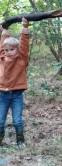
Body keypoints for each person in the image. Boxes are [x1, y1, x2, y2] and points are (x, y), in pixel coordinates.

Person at [0, 18, 30, 149]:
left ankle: (20, 141)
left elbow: (24, 44)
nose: (8, 52)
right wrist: (5, 31)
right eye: (6, 50)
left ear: (17, 50)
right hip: (2, 96)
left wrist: (25, 27)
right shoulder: (2, 58)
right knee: (0, 121)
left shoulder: (21, 59)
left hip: (17, 95)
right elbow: (2, 45)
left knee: (17, 120)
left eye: (11, 49)